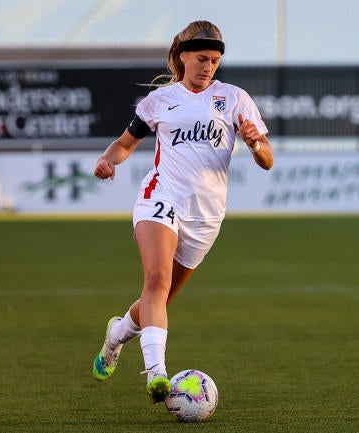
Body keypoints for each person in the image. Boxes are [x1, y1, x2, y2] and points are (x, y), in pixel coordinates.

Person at [91, 20, 274, 404]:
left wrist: (257, 145)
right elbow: (125, 144)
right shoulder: (159, 101)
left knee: (156, 301)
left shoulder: (235, 99)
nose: (209, 67)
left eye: (215, 61)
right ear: (183, 56)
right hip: (161, 197)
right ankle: (157, 374)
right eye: (202, 58)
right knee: (155, 279)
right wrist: (109, 160)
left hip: (206, 217)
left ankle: (115, 336)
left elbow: (267, 161)